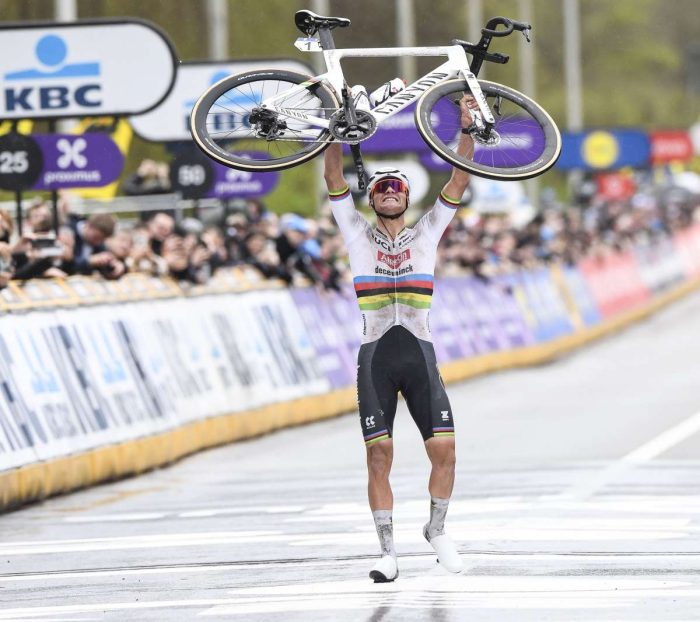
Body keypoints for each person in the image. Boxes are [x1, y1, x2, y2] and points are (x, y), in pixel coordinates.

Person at [323, 95, 478, 582]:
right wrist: (334, 128)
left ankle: (436, 529)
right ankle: (386, 552)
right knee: (378, 454)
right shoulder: (355, 233)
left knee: (445, 452)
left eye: (398, 188)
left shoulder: (428, 232)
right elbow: (332, 178)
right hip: (375, 356)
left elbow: (458, 178)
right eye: (382, 188)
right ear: (371, 199)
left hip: (419, 354)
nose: (389, 191)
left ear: (407, 199)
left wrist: (468, 125)